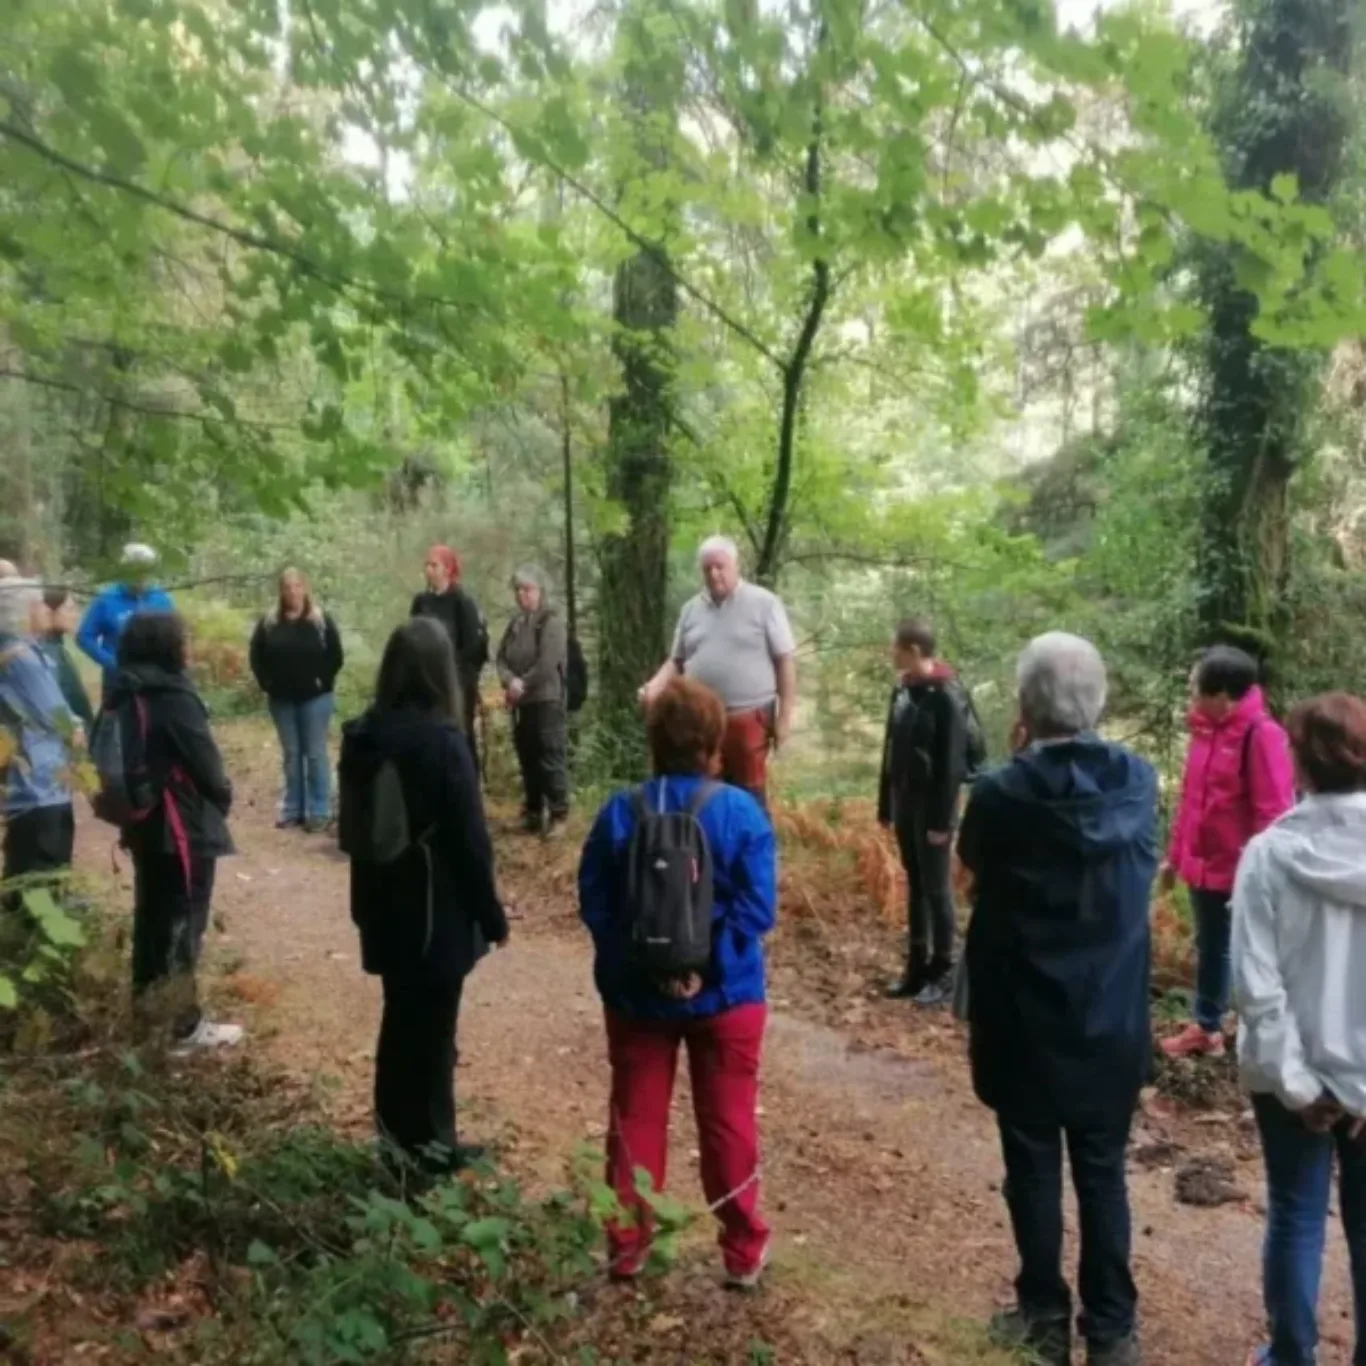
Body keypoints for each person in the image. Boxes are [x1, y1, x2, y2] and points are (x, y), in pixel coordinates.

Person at [961, 633, 1155, 1366]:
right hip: (1111, 1016)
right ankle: (1111, 1330)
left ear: (1024, 706)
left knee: (1034, 1166)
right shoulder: (1136, 781)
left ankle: (1044, 1319)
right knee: (1103, 1171)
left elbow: (974, 860)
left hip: (1023, 1018)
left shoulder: (1001, 792)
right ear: (1097, 702)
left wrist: (1018, 761)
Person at [579, 676, 777, 1287]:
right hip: (727, 995)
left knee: (636, 1119)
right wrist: (703, 969)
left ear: (655, 740)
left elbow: (596, 905)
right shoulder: (741, 812)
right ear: (714, 742)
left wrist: (649, 968)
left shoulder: (620, 812)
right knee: (728, 1124)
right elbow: (758, 909)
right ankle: (742, 1253)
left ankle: (626, 1247)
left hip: (638, 998)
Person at [339, 617, 508, 1174]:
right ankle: (433, 1151)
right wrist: (492, 914)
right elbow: (470, 842)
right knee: (434, 1032)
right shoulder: (443, 743)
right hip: (436, 909)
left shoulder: (361, 735)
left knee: (398, 1019)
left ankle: (393, 1142)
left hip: (378, 901)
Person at [1231, 692, 1366, 1366]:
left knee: (1295, 1215)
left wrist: (1297, 1084)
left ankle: (1291, 1356)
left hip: (1287, 1077)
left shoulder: (1267, 855)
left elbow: (1257, 986)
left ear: (1299, 763)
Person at [107, 612, 242, 1051]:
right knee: (185, 920)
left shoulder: (124, 690)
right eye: (184, 639)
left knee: (151, 917)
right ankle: (183, 1027)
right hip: (180, 824)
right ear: (167, 646)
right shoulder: (172, 695)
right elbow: (207, 766)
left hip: (144, 823)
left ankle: (147, 1015)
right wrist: (220, 798)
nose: (190, 647)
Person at [1160, 645, 1295, 1059]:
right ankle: (1207, 1026)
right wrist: (1176, 856)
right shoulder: (1204, 732)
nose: (1192, 695)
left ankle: (1268, 1041)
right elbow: (1191, 802)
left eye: (1196, 687)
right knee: (1211, 945)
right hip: (1205, 867)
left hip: (1243, 871)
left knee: (1254, 955)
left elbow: (1274, 814)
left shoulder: (1262, 735)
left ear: (1223, 694)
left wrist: (1260, 877)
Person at [639, 536, 796, 806]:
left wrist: (784, 718)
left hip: (748, 717)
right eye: (707, 568)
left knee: (748, 795)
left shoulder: (764, 603)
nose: (714, 573)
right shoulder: (690, 610)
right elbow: (676, 660)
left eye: (720, 566)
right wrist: (653, 686)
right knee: (702, 795)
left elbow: (785, 661)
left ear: (735, 566)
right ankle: (706, 846)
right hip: (700, 720)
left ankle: (755, 846)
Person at [877, 617, 968, 1006]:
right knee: (914, 882)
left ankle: (943, 970)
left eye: (896, 646)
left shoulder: (946, 695)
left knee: (936, 888)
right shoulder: (903, 690)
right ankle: (915, 966)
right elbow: (890, 748)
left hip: (933, 808)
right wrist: (886, 803)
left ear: (913, 651)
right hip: (905, 801)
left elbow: (952, 765)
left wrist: (941, 822)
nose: (891, 652)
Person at [249, 568, 344, 832]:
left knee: (314, 754)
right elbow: (256, 654)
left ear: (305, 587)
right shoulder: (270, 622)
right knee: (291, 755)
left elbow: (335, 655)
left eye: (297, 586)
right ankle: (293, 808)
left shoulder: (320, 619)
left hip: (315, 698)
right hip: (281, 699)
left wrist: (322, 681)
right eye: (287, 587)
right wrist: (266, 683)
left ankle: (320, 810)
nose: (292, 591)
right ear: (281, 591)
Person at [0, 579, 76, 885]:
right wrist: (77, 729)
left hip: (34, 777)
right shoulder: (23, 658)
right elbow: (59, 718)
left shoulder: (21, 652)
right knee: (41, 870)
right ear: (22, 612)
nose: (49, 608)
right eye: (41, 603)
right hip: (39, 781)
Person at [495, 566, 569, 837]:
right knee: (527, 758)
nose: (521, 595)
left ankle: (559, 814)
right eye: (518, 590)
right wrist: (508, 680)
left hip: (546, 700)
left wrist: (522, 683)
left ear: (540, 591)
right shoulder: (515, 625)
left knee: (549, 755)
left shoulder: (551, 622)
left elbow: (548, 663)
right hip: (521, 704)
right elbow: (501, 658)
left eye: (527, 589)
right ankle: (534, 812)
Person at [410, 545, 489, 770]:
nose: (429, 569)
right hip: (427, 682)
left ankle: (467, 789)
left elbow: (473, 646)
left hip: (458, 682)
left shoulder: (462, 602)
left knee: (460, 735)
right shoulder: (421, 602)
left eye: (434, 565)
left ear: (448, 569)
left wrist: (452, 672)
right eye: (427, 564)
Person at [77, 543, 174, 701]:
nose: (140, 578)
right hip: (119, 679)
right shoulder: (106, 599)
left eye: (144, 572)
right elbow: (84, 637)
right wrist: (112, 663)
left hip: (157, 678)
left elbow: (173, 636)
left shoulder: (161, 598)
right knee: (117, 723)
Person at [38, 587, 95, 731]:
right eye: (69, 609)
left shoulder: (57, 648)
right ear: (49, 611)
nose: (76, 615)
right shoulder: (47, 653)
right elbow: (52, 700)